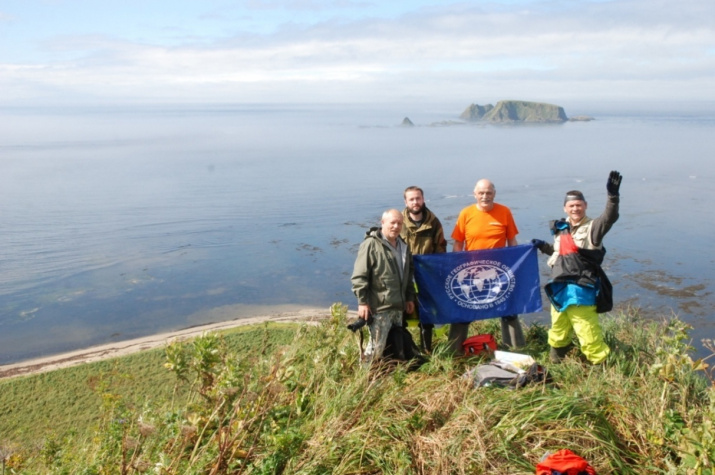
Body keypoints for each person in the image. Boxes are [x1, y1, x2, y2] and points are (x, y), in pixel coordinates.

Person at [532, 170, 622, 364]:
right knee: (558, 328)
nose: (575, 209)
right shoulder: (561, 228)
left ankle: (602, 370)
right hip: (559, 287)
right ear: (565, 208)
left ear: (585, 206)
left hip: (582, 288)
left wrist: (612, 197)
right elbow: (563, 254)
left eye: (579, 205)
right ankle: (556, 363)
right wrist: (543, 247)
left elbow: (610, 217)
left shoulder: (594, 228)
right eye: (571, 205)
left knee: (587, 331)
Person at [449, 179, 526, 354]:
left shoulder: (504, 212)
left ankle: (516, 348)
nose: (485, 196)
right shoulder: (466, 213)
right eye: (481, 193)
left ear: (494, 194)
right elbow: (458, 243)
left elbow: (512, 240)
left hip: (498, 272)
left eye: (488, 193)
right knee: (462, 312)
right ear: (475, 194)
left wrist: (516, 263)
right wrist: (457, 266)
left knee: (509, 310)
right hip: (471, 272)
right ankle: (454, 351)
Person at [351, 209, 416, 364]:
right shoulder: (370, 245)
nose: (396, 226)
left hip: (398, 307)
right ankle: (364, 380)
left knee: (394, 346)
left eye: (399, 223)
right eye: (392, 222)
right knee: (375, 348)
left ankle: (385, 376)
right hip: (379, 308)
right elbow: (359, 276)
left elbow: (408, 276)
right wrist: (362, 302)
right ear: (382, 223)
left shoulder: (403, 246)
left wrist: (409, 298)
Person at [400, 186, 448, 352]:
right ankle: (405, 350)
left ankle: (427, 350)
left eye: (418, 198)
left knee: (426, 313)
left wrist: (439, 275)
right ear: (406, 202)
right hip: (404, 276)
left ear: (423, 199)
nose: (415, 202)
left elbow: (441, 249)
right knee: (403, 314)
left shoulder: (433, 222)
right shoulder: (398, 223)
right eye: (411, 199)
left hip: (427, 276)